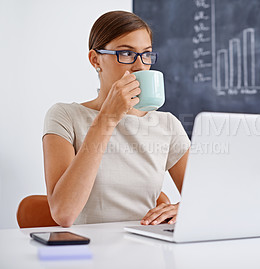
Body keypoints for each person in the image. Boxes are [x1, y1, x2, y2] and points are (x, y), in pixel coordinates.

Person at [42, 10, 190, 227]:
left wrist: (182, 209)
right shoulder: (65, 116)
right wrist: (108, 119)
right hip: (89, 251)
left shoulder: (167, 124)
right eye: (127, 54)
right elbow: (63, 213)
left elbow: (206, 200)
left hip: (147, 247)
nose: (140, 66)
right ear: (95, 60)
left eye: (146, 54)